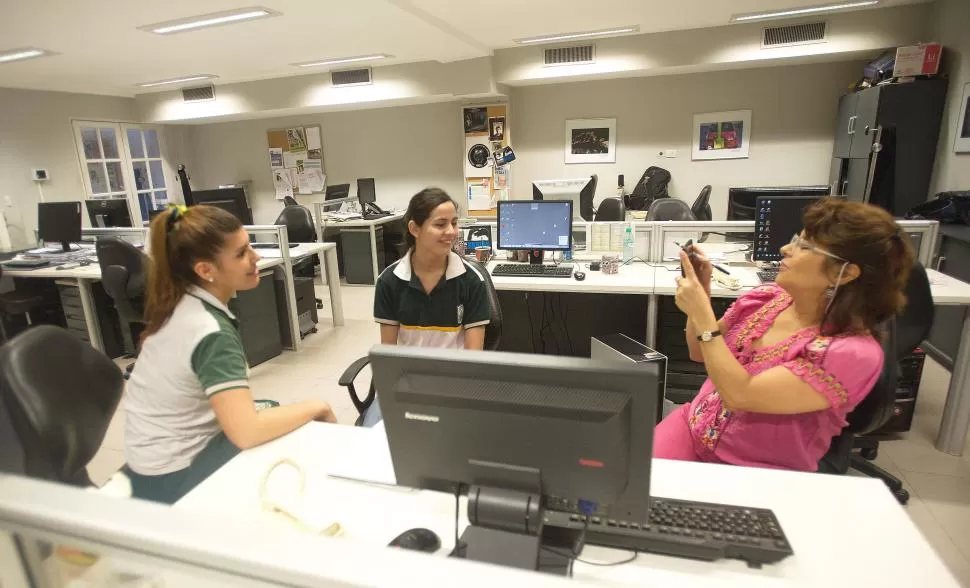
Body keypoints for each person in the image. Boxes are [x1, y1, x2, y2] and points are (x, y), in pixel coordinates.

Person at [654, 199, 914, 471]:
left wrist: (702, 313)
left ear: (845, 272)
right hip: (692, 427)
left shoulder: (849, 353)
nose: (785, 249)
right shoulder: (768, 299)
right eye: (795, 240)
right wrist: (702, 294)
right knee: (626, 490)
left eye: (803, 246)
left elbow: (741, 395)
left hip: (754, 465)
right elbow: (699, 352)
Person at [124, 205, 336, 504]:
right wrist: (318, 406)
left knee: (274, 409)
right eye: (241, 253)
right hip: (174, 479)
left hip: (150, 464)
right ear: (205, 270)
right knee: (302, 428)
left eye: (250, 246)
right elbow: (246, 432)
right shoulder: (211, 332)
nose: (256, 257)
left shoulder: (178, 306)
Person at [365, 188, 492, 424]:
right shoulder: (389, 282)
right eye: (441, 224)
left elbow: (474, 361)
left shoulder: (471, 281)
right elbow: (389, 355)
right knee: (376, 438)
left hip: (456, 385)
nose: (451, 232)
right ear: (414, 229)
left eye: (454, 223)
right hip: (406, 384)